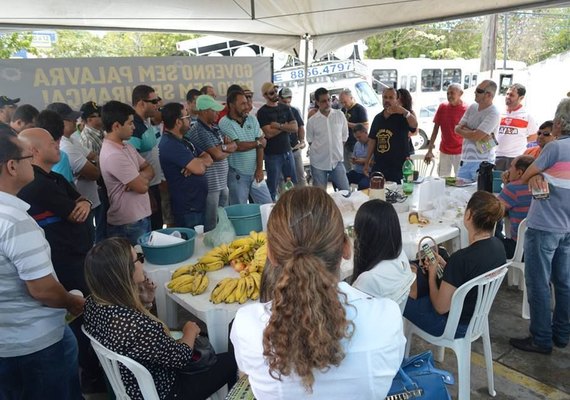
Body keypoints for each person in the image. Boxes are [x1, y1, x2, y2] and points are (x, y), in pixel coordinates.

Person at [231, 187, 405, 399]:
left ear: (271, 255)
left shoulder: (246, 325)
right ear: (346, 248)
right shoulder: (387, 318)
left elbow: (246, 377)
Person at [83, 237, 237, 400]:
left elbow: (143, 344)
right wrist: (189, 331)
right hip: (166, 391)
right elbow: (180, 358)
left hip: (130, 385)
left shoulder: (92, 304)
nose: (142, 264)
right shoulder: (134, 327)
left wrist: (145, 301)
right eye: (139, 259)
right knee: (235, 358)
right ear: (125, 272)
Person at [0, 130, 84, 400]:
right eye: (27, 158)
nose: (31, 163)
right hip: (34, 344)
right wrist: (71, 302)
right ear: (12, 166)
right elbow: (43, 290)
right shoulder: (15, 223)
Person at [510, 98, 570, 354]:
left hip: (545, 224)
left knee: (538, 283)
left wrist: (536, 176)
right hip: (567, 227)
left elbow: (524, 176)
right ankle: (562, 333)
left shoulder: (554, 149)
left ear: (559, 123)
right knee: (564, 282)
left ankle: (541, 338)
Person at [404, 191, 507, 337]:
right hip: (476, 319)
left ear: (469, 215)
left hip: (452, 326)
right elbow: (468, 276)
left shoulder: (461, 259)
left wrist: (432, 276)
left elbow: (440, 308)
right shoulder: (498, 247)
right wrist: (445, 264)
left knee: (398, 297)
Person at [100, 101, 154, 245]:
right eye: (130, 123)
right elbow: (142, 188)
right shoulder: (113, 155)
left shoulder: (127, 147)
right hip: (128, 223)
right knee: (136, 264)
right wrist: (139, 180)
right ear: (116, 126)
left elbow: (150, 169)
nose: (134, 127)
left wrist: (139, 177)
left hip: (139, 217)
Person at [351, 199, 415, 311]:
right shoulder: (401, 256)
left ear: (365, 236)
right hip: (394, 324)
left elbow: (349, 314)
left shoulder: (369, 279)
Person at [159, 102, 213, 228]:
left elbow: (209, 157)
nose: (190, 120)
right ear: (178, 122)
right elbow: (199, 169)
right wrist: (196, 164)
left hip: (197, 203)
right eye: (187, 117)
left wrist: (195, 163)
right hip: (188, 207)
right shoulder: (170, 144)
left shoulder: (184, 140)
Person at [187, 95, 237, 231]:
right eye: (214, 110)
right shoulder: (198, 130)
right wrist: (225, 148)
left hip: (221, 183)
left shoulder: (214, 128)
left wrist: (224, 148)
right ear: (203, 111)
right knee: (211, 225)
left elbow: (234, 145)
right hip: (210, 186)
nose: (217, 113)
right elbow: (217, 155)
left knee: (223, 222)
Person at [219, 89, 272, 205]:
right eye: (242, 104)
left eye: (247, 103)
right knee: (240, 211)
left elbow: (261, 146)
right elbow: (238, 146)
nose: (246, 106)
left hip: (255, 172)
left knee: (268, 206)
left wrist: (259, 169)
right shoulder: (224, 122)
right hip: (237, 175)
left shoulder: (252, 119)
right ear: (231, 105)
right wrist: (257, 143)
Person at [364, 87, 417, 183]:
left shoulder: (403, 116)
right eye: (385, 97)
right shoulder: (378, 118)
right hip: (380, 165)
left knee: (399, 195)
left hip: (398, 166)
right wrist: (367, 161)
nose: (387, 100)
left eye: (391, 97)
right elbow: (372, 140)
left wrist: (405, 112)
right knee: (377, 193)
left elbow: (414, 126)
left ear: (397, 100)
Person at [130, 85, 164, 230]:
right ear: (141, 103)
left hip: (154, 185)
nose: (158, 104)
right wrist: (148, 193)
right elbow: (132, 162)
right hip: (145, 190)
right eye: (154, 101)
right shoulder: (135, 127)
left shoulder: (146, 122)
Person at [257, 82, 298, 200]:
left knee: (292, 184)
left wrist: (278, 126)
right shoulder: (263, 112)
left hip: (287, 151)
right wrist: (285, 126)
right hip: (272, 154)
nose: (275, 94)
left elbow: (295, 128)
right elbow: (268, 133)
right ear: (265, 95)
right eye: (271, 92)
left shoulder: (285, 107)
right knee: (272, 186)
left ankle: (293, 206)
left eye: (276, 90)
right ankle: (271, 211)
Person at [455, 80, 501, 181]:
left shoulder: (494, 113)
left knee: (479, 195)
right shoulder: (472, 107)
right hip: (465, 160)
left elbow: (476, 136)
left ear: (488, 95)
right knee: (458, 193)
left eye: (479, 91)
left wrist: (470, 132)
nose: (475, 92)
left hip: (483, 163)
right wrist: (474, 132)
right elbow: (457, 128)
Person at [306, 87, 350, 191]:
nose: (327, 103)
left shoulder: (340, 115)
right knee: (320, 197)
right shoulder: (312, 121)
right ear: (317, 102)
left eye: (328, 100)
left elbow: (344, 136)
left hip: (337, 161)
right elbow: (310, 141)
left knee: (346, 192)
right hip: (318, 163)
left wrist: (336, 149)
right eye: (323, 101)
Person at [424, 83, 467, 177]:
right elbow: (435, 130)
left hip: (461, 152)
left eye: (452, 93)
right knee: (442, 180)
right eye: (448, 93)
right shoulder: (442, 107)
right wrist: (430, 150)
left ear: (460, 93)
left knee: (460, 180)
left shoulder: (467, 109)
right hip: (444, 151)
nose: (449, 96)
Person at [496, 155, 534, 258]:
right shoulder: (540, 185)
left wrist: (507, 185)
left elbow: (494, 211)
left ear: (519, 172)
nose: (508, 170)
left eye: (511, 167)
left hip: (519, 249)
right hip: (539, 246)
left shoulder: (513, 188)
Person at [495, 83, 538, 171]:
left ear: (521, 98)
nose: (508, 97)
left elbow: (534, 136)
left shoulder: (527, 116)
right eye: (507, 94)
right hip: (497, 156)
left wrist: (518, 141)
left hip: (515, 157)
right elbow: (493, 135)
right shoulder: (499, 113)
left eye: (511, 95)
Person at [278, 87, 307, 186]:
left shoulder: (294, 110)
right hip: (281, 150)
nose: (287, 101)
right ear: (279, 98)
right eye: (284, 99)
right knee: (282, 179)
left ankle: (304, 199)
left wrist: (302, 140)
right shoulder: (275, 111)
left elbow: (300, 126)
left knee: (300, 177)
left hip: (294, 148)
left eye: (289, 98)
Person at [339, 88, 368, 171]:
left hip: (356, 143)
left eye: (345, 102)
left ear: (351, 98)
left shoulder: (360, 109)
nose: (343, 104)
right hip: (346, 143)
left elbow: (365, 127)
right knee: (346, 168)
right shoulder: (343, 110)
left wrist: (348, 124)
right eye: (341, 102)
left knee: (356, 167)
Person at [346, 123, 371, 190]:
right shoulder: (357, 144)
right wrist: (354, 160)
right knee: (340, 179)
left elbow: (376, 162)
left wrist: (364, 161)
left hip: (369, 173)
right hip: (357, 171)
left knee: (363, 185)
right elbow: (354, 157)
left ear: (365, 132)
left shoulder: (372, 144)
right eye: (356, 138)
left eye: (359, 137)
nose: (358, 139)